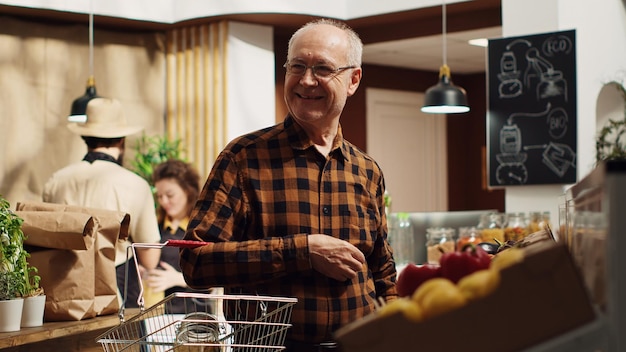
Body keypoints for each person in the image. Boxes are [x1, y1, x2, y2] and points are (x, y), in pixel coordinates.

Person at [180, 18, 397, 351]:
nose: (306, 80)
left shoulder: (367, 170)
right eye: (297, 66)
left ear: (353, 80)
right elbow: (197, 262)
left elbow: (382, 271)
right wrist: (303, 250)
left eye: (323, 69)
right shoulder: (243, 157)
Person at [42, 97, 161, 308]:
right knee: (120, 341)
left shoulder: (56, 180)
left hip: (64, 284)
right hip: (117, 285)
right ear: (122, 140)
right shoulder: (135, 184)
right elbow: (150, 258)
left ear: (85, 138)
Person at [146, 159, 201, 313]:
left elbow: (217, 276)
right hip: (157, 316)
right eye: (160, 196)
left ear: (188, 191)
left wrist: (178, 279)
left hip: (194, 314)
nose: (164, 202)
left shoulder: (201, 229)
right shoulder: (155, 227)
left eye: (170, 195)